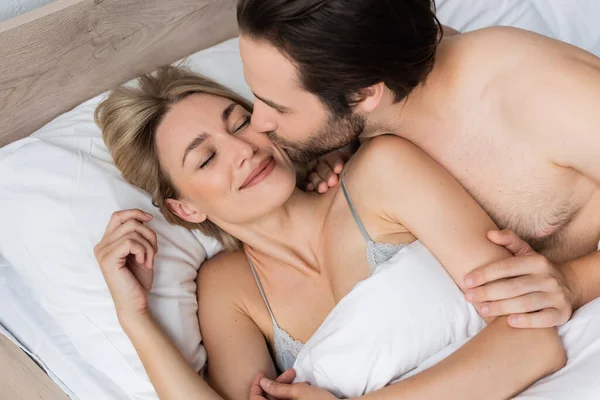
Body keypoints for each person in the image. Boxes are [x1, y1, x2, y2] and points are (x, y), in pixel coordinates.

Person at [93, 66, 565, 400]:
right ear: (185, 207)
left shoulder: (382, 174)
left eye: (239, 123)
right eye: (207, 158)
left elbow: (531, 340)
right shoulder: (227, 290)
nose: (241, 149)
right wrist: (134, 317)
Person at [236, 0, 600, 334]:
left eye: (279, 108)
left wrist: (574, 281)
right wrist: (339, 146)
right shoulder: (382, 70)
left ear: (363, 94)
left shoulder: (545, 98)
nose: (257, 123)